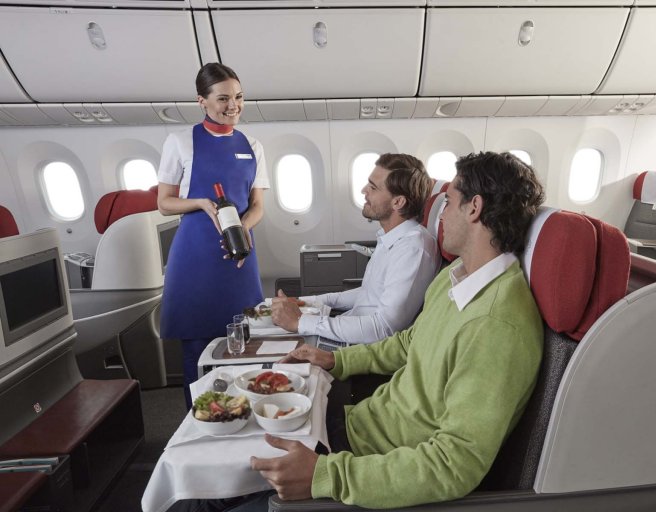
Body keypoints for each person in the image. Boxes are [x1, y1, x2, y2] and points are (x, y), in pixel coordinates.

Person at [168, 151, 544, 511]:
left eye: (448, 201)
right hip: (360, 425)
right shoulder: (456, 277)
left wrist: (326, 475)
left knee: (202, 496)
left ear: (474, 208)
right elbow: (408, 343)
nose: (440, 212)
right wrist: (335, 359)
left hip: (368, 459)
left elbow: (452, 465)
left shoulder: (496, 327)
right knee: (218, 457)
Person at [157, 63, 269, 409]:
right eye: (222, 98)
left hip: (239, 251)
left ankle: (243, 414)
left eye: (238, 97)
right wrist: (200, 203)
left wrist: (244, 229)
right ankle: (201, 419)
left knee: (244, 340)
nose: (233, 105)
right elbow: (164, 203)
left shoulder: (252, 145)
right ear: (202, 101)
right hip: (195, 254)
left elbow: (257, 205)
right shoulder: (179, 142)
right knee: (197, 345)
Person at [270, 153, 440, 346]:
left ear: (398, 202)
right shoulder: (391, 238)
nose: (363, 190)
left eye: (373, 188)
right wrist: (307, 301)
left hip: (365, 348)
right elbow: (368, 294)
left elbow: (384, 328)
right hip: (352, 334)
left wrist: (301, 322)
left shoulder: (412, 249)